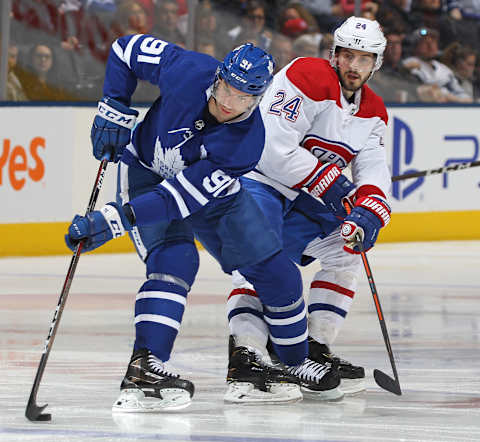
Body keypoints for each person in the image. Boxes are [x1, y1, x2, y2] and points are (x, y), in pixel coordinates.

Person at [65, 36, 347, 411]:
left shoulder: (246, 142)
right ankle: (144, 366)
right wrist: (114, 105)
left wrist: (116, 219)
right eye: (226, 88)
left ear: (258, 99)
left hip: (208, 194)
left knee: (279, 274)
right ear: (218, 76)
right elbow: (123, 49)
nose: (228, 103)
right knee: (175, 259)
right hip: (149, 171)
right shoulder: (187, 70)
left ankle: (293, 361)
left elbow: (180, 198)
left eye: (243, 98)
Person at [225, 16, 392, 402]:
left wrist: (370, 205)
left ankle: (309, 350)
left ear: (376, 63)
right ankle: (245, 359)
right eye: (347, 55)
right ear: (334, 55)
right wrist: (331, 181)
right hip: (258, 181)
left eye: (364, 59)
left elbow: (372, 166)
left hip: (306, 195)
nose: (353, 66)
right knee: (261, 262)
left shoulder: (374, 111)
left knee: (348, 247)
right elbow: (269, 148)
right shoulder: (308, 75)